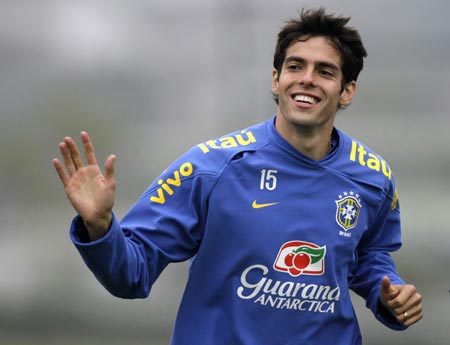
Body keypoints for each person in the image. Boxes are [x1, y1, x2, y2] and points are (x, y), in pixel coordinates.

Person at [53, 7, 423, 345]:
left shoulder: (372, 177)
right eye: (296, 67)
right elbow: (129, 274)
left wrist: (389, 295)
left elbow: (370, 257)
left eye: (325, 71)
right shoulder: (211, 167)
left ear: (347, 91)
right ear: (276, 80)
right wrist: (100, 228)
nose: (307, 79)